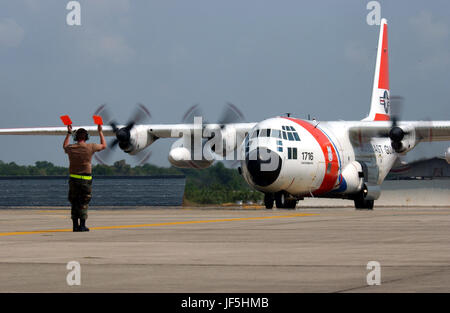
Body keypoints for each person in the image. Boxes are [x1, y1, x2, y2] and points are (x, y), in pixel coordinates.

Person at [63, 124, 106, 232]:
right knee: (83, 202)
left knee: (74, 202)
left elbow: (64, 146)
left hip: (73, 179)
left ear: (75, 137)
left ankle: (75, 225)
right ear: (86, 137)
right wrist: (100, 131)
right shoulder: (90, 147)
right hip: (85, 179)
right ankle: (82, 225)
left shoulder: (71, 148)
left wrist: (68, 133)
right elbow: (103, 145)